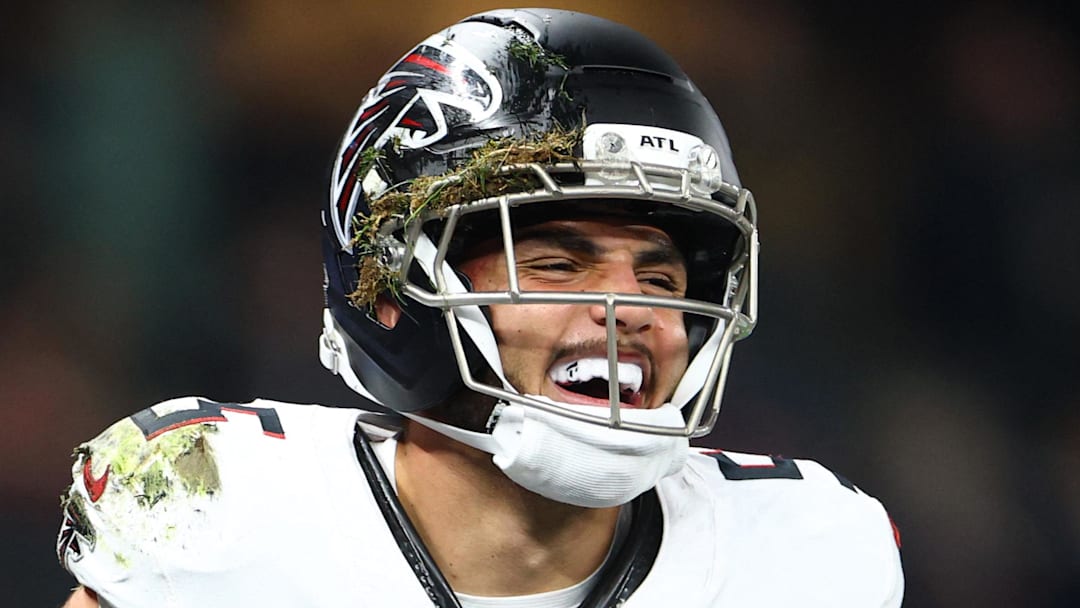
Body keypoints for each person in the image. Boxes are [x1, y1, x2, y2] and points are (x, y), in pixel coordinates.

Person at [57, 8, 903, 607]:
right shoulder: (206, 509)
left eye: (659, 279)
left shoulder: (809, 552)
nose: (630, 311)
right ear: (394, 292)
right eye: (559, 265)